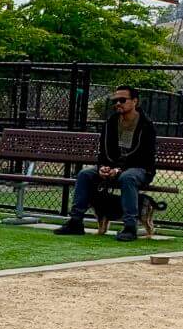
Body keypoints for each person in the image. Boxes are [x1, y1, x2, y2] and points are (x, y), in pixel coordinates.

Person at [56, 84, 157, 242]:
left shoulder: (146, 125)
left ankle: (130, 227)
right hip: (113, 167)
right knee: (85, 174)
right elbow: (104, 152)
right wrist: (103, 166)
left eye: (122, 100)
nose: (118, 103)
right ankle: (76, 221)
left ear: (135, 101)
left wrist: (119, 170)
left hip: (139, 169)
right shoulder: (110, 123)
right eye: (115, 100)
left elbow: (144, 156)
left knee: (127, 178)